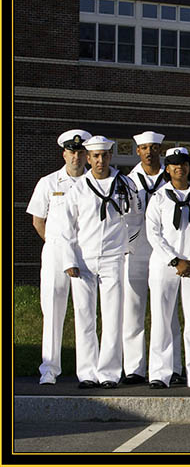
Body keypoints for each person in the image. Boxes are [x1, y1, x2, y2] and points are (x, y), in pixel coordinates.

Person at [62, 135, 144, 388]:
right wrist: (69, 259)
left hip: (112, 258)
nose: (100, 160)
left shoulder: (125, 183)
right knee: (85, 316)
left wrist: (125, 246)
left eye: (104, 155)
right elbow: (67, 228)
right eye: (95, 156)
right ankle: (87, 373)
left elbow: (136, 216)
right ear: (88, 158)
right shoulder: (77, 189)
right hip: (84, 259)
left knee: (112, 316)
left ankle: (109, 373)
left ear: (110, 156)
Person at [145, 147, 190, 389]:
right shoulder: (159, 198)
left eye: (183, 163)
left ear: (189, 167)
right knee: (162, 319)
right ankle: (160, 372)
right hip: (165, 265)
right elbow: (153, 233)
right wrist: (175, 260)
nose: (179, 168)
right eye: (174, 164)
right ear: (167, 168)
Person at [27, 129, 91, 385]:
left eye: (80, 152)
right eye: (71, 151)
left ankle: (86, 371)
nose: (76, 156)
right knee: (53, 311)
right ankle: (49, 370)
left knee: (85, 312)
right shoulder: (49, 182)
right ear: (64, 153)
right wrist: (58, 246)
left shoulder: (93, 184)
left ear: (87, 155)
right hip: (55, 254)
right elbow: (38, 220)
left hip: (85, 253)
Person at [122, 131, 184, 386]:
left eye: (154, 148)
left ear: (161, 150)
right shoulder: (126, 181)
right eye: (145, 148)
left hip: (166, 251)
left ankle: (173, 367)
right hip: (137, 249)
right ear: (138, 151)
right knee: (133, 309)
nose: (149, 152)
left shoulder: (170, 179)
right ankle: (134, 368)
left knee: (168, 311)